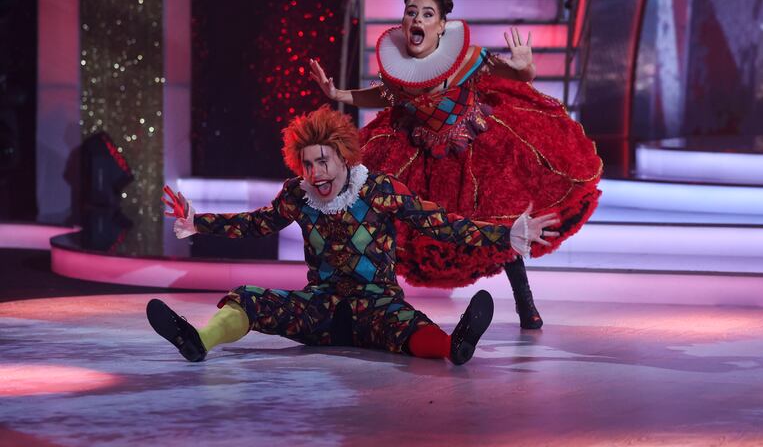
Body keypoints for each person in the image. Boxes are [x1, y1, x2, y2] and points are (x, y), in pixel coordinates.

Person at [147, 106, 559, 365]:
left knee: (408, 327)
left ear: (343, 156)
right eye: (306, 165)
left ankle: (456, 346)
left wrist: (504, 235)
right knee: (249, 298)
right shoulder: (298, 195)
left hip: (376, 305)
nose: (315, 173)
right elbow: (259, 223)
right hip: (320, 309)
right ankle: (197, 340)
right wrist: (200, 222)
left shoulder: (379, 189)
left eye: (322, 162)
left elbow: (441, 223)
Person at [309, 0, 602, 330]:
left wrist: (525, 66)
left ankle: (526, 303)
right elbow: (383, 95)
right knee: (390, 222)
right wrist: (337, 93)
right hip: (421, 149)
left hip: (474, 142)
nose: (416, 18)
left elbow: (518, 75)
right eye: (411, 12)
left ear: (442, 26)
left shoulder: (467, 57)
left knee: (500, 215)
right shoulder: (398, 66)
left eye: (427, 14)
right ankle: (379, 307)